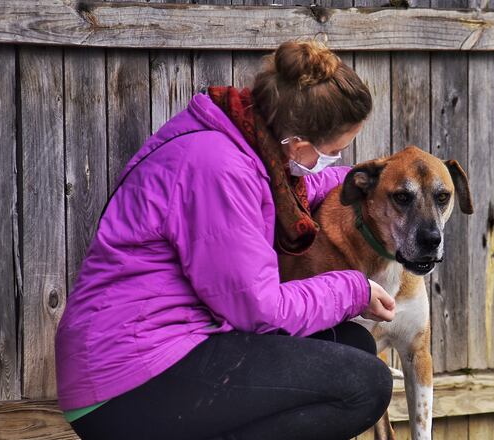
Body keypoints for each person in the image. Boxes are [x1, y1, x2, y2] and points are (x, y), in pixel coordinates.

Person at [55, 39, 397, 440]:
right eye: (335, 151)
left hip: (173, 344)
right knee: (364, 385)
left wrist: (374, 178)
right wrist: (354, 290)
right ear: (298, 144)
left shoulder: (244, 141)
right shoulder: (217, 168)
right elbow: (260, 310)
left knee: (352, 343)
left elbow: (298, 188)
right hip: (126, 374)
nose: (334, 160)